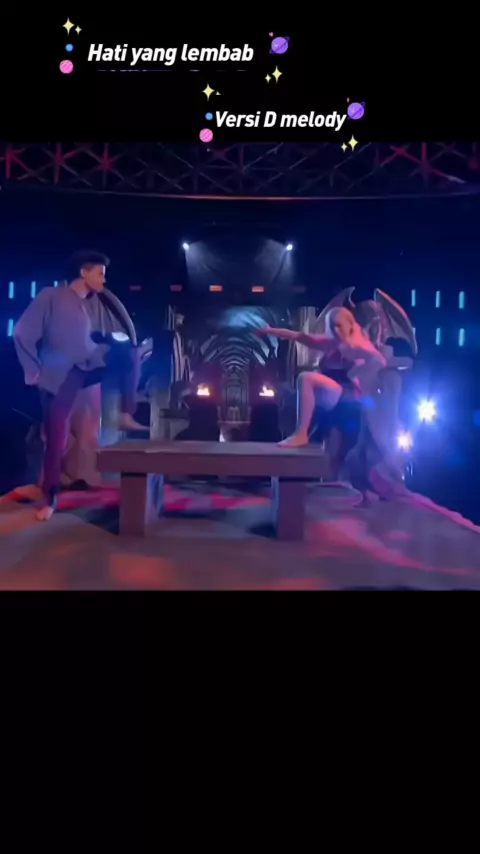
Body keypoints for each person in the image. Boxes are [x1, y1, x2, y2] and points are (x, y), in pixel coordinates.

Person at [14, 250, 144, 521]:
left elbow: (84, 342)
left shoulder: (88, 304)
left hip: (85, 369)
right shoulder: (51, 296)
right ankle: (50, 499)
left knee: (131, 353)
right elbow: (22, 332)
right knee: (57, 438)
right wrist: (32, 369)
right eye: (100, 274)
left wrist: (111, 341)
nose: (104, 280)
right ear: (84, 272)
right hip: (58, 378)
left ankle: (126, 412)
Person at [256, 307, 386, 448]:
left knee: (306, 378)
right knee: (293, 392)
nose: (336, 330)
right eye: (332, 326)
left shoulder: (358, 346)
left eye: (339, 325)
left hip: (347, 392)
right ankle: (304, 432)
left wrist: (357, 371)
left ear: (350, 325)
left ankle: (301, 433)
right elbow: (299, 336)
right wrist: (270, 331)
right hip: (331, 391)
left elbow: (380, 361)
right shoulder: (330, 342)